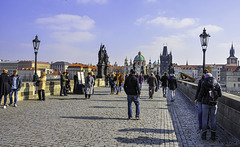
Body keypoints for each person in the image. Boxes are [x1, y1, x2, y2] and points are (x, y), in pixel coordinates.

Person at [198, 73, 222, 141]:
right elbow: (220, 94)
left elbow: (201, 93)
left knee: (204, 119)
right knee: (213, 119)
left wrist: (198, 100)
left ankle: (204, 135)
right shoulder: (217, 83)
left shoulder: (204, 82)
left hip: (205, 103)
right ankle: (213, 136)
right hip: (214, 103)